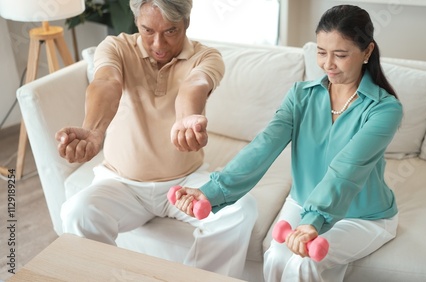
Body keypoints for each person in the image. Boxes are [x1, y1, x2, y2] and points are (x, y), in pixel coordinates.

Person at [172, 4, 403, 281]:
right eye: (321, 52)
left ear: (366, 52)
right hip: (303, 200)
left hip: (363, 216)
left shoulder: (384, 109)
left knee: (304, 263)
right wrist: (212, 191)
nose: (328, 64)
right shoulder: (301, 96)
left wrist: (314, 220)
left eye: (340, 55)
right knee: (277, 254)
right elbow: (264, 145)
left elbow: (348, 168)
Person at [55, 0, 257, 279]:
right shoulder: (116, 47)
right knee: (76, 212)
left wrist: (186, 118)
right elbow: (106, 82)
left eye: (171, 31)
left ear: (186, 22)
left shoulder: (207, 56)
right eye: (148, 30)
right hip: (121, 184)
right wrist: (93, 130)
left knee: (241, 209)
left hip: (185, 182)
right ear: (136, 22)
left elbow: (194, 85)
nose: (158, 43)